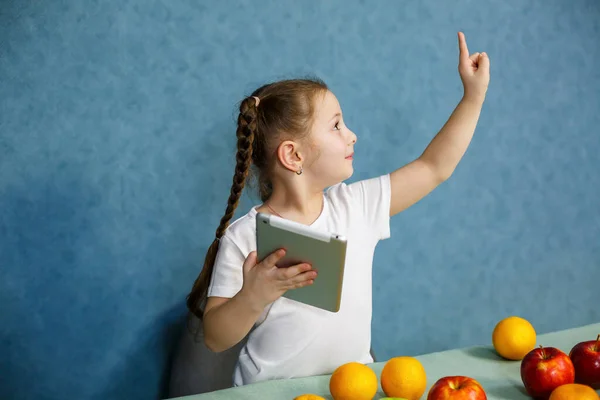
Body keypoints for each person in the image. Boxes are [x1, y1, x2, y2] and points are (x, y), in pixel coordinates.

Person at [186, 32, 490, 386]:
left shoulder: (356, 206)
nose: (352, 135)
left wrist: (474, 95)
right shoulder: (244, 237)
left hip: (351, 388)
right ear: (293, 155)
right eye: (336, 125)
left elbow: (434, 167)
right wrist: (253, 296)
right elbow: (215, 337)